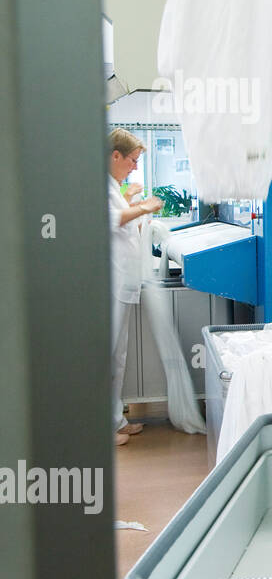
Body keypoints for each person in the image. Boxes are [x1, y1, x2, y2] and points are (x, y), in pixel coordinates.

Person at [108, 128, 163, 446]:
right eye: (132, 160)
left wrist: (133, 202)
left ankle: (115, 420)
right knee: (108, 355)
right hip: (112, 284)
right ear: (115, 155)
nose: (134, 167)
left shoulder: (114, 187)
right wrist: (144, 207)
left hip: (124, 284)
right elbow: (111, 220)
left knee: (118, 356)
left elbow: (122, 218)